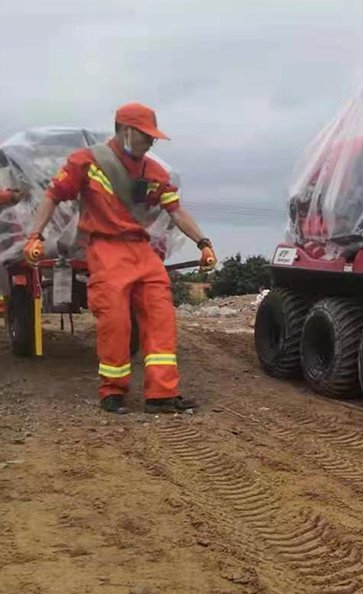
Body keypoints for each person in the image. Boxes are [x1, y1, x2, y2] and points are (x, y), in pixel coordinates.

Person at [23, 102, 218, 415]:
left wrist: (203, 242)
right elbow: (53, 196)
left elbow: (175, 210)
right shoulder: (86, 162)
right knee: (115, 321)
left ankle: (161, 395)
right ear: (127, 132)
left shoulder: (153, 171)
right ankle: (112, 391)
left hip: (143, 251)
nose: (152, 142)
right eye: (147, 136)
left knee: (160, 317)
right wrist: (36, 236)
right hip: (106, 249)